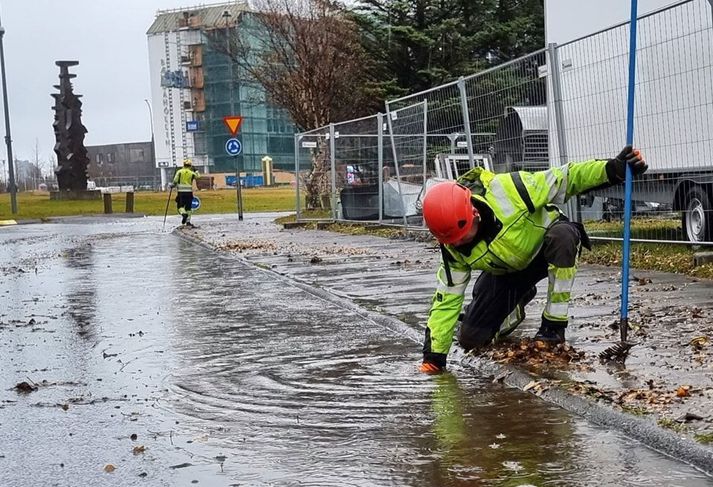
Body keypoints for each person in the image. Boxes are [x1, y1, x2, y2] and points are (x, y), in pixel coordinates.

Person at [419, 146, 647, 374]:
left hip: (546, 247)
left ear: (474, 213)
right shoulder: (452, 246)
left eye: (461, 236)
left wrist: (612, 169)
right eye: (451, 242)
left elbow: (566, 177)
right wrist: (434, 358)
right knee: (471, 339)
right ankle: (515, 304)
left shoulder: (508, 189)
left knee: (563, 237)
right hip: (506, 271)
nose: (458, 245)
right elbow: (447, 299)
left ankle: (553, 328)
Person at [170, 158, 200, 228]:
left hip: (181, 193)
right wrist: (196, 170)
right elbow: (198, 176)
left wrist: (172, 185)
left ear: (183, 164)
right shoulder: (191, 173)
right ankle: (188, 222)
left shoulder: (179, 172)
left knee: (180, 206)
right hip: (189, 193)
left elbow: (175, 181)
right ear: (190, 165)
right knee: (188, 208)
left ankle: (184, 214)